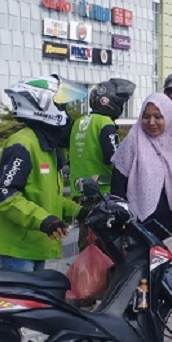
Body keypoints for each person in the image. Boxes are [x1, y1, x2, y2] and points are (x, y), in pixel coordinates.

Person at [0, 75, 87, 272]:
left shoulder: (47, 148)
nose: (67, 115)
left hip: (36, 243)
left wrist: (81, 212)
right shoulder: (22, 144)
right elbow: (6, 196)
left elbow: (49, 198)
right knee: (22, 302)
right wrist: (44, 220)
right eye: (62, 107)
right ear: (44, 105)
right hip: (17, 249)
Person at [111, 93, 172, 241]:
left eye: (158, 117)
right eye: (146, 116)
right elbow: (118, 184)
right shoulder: (133, 141)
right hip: (140, 226)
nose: (151, 122)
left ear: (169, 116)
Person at [69, 78, 135, 249]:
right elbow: (113, 157)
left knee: (86, 244)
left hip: (80, 191)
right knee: (103, 248)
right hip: (101, 194)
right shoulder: (105, 123)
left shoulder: (79, 122)